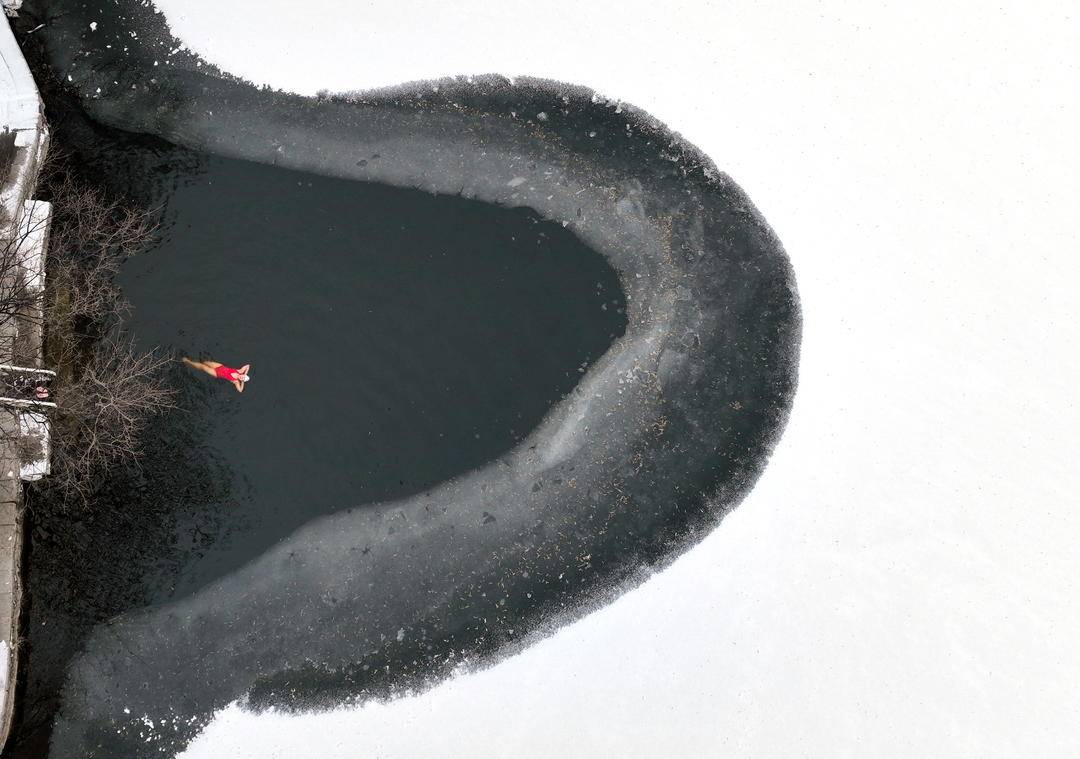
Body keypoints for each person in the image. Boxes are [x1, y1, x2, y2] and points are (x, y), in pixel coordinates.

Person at [182, 356, 251, 393]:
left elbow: (240, 390)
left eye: (242, 379)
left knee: (203, 367)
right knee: (205, 362)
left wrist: (242, 382)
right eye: (243, 376)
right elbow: (248, 366)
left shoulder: (236, 381)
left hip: (216, 373)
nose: (242, 377)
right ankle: (195, 360)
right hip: (220, 366)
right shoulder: (240, 371)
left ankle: (188, 362)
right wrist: (245, 373)